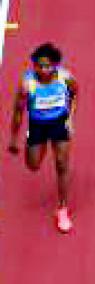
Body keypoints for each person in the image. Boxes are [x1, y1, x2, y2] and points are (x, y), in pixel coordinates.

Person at [7, 43, 79, 233]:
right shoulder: (27, 84)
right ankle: (42, 146)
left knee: (62, 165)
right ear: (34, 66)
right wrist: (14, 138)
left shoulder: (65, 78)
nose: (43, 69)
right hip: (38, 127)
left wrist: (70, 119)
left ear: (55, 65)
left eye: (47, 66)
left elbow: (75, 94)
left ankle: (62, 209)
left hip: (59, 124)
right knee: (33, 166)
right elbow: (17, 112)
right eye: (39, 66)